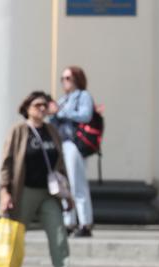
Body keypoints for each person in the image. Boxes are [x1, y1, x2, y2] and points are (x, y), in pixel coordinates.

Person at [0, 91, 77, 267]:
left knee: (58, 232)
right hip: (24, 191)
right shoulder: (19, 130)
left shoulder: (52, 130)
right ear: (27, 108)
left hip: (49, 193)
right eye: (38, 105)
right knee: (15, 234)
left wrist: (67, 194)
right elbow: (7, 162)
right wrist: (5, 192)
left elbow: (60, 165)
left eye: (45, 105)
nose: (42, 109)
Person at [49, 66, 95, 237]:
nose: (64, 82)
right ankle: (69, 221)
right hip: (61, 144)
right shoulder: (63, 99)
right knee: (64, 184)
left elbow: (85, 115)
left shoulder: (83, 96)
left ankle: (85, 222)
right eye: (62, 78)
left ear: (77, 79)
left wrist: (61, 111)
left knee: (78, 183)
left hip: (74, 143)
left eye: (67, 78)